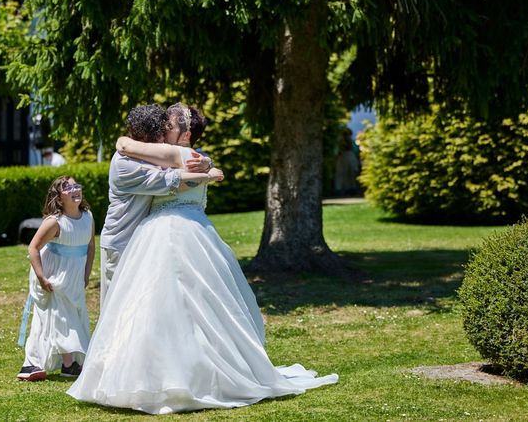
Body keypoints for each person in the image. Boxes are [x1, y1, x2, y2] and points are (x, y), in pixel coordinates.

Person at [66, 105, 338, 414]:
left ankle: (170, 372)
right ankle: (161, 368)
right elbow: (132, 150)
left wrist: (206, 170)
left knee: (167, 306)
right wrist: (209, 170)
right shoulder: (174, 156)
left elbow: (155, 163)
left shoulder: (178, 155)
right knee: (153, 307)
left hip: (171, 234)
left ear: (185, 133)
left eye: (169, 123)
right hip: (144, 238)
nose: (163, 128)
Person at [99, 104, 213, 306]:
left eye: (168, 128)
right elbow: (168, 180)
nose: (165, 134)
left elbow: (184, 159)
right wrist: (208, 173)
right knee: (116, 305)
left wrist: (208, 165)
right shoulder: (125, 163)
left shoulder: (158, 154)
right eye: (161, 131)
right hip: (121, 240)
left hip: (146, 239)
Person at [16, 176, 95, 381]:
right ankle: (39, 363)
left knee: (72, 315)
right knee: (56, 316)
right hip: (52, 274)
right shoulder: (54, 223)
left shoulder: (88, 217)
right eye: (67, 188)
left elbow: (90, 246)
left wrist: (86, 273)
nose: (75, 189)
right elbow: (33, 248)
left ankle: (67, 363)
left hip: (74, 276)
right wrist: (42, 277)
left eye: (76, 185)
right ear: (59, 199)